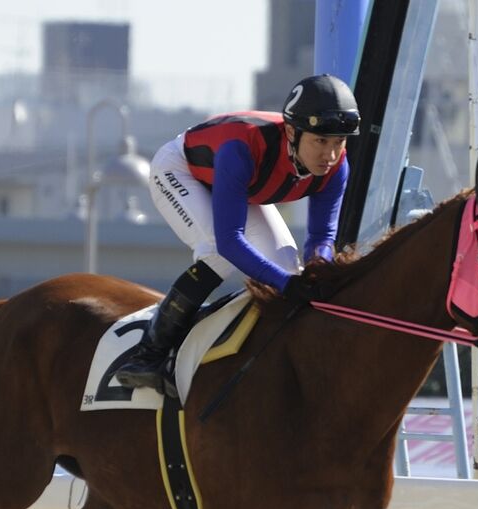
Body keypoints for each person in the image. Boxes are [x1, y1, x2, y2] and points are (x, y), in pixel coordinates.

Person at [113, 73, 360, 396]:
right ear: (291, 132)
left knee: (288, 265)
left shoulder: (337, 168)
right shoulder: (242, 148)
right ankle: (148, 355)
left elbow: (322, 237)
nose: (330, 155)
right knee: (218, 251)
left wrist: (317, 274)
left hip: (240, 186)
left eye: (339, 141)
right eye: (320, 141)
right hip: (180, 171)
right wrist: (288, 285)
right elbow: (231, 241)